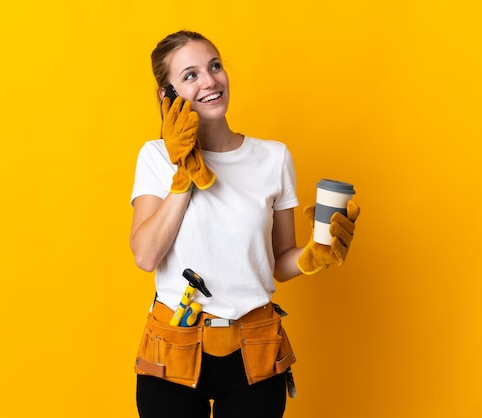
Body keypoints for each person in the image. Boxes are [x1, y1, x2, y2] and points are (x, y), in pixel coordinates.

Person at [129, 30, 360, 418]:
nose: (210, 81)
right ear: (165, 94)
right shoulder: (155, 157)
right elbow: (146, 255)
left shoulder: (273, 158)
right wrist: (183, 174)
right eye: (190, 75)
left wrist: (313, 255)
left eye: (215, 66)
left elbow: (278, 262)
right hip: (173, 349)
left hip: (255, 350)